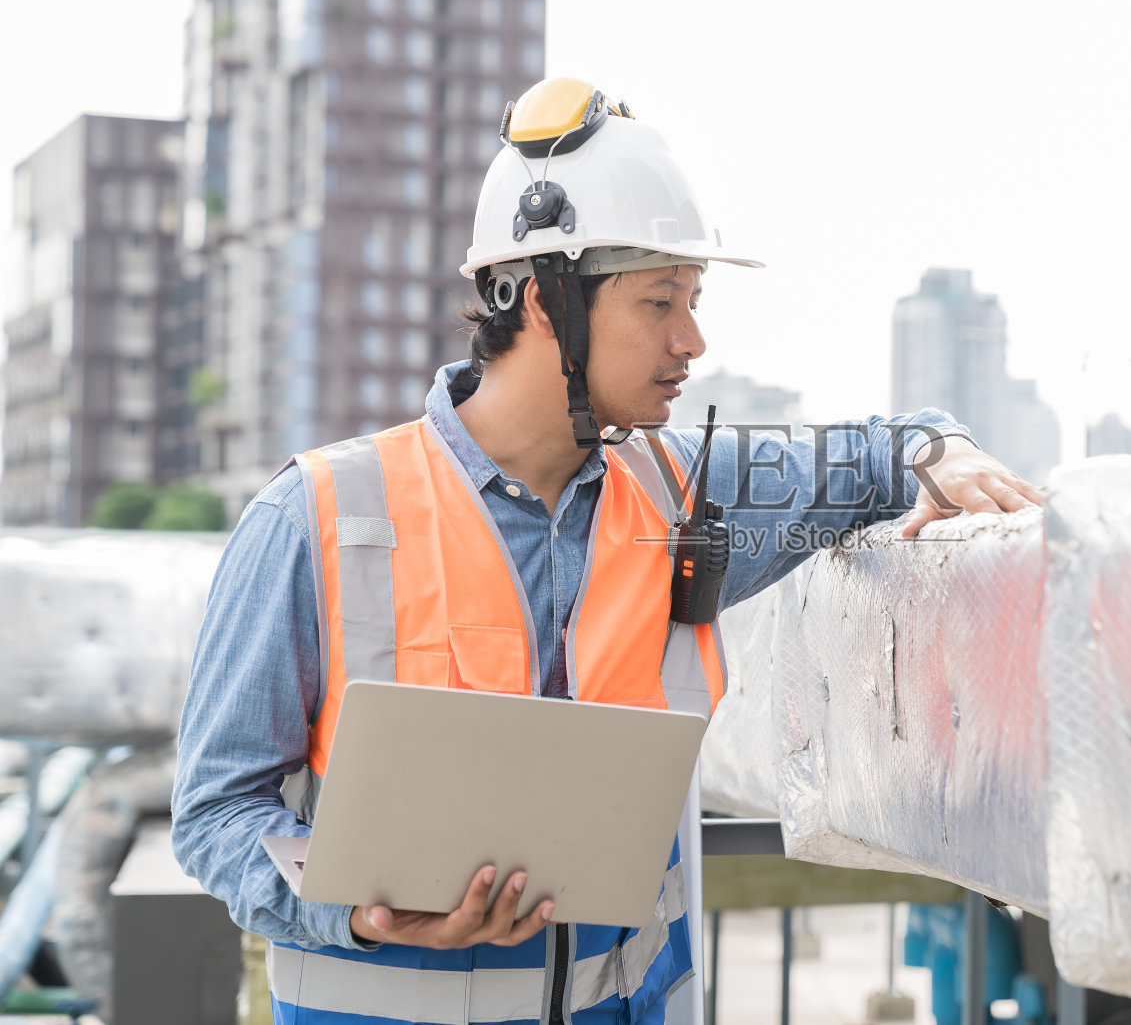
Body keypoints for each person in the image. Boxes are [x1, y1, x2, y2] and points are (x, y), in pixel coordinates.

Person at [171, 77, 1042, 1025]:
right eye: (660, 301)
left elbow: (883, 446)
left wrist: (937, 450)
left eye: (694, 298)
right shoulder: (316, 516)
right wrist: (364, 917)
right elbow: (217, 816)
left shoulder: (681, 496)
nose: (692, 339)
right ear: (544, 300)